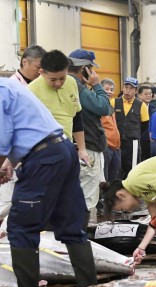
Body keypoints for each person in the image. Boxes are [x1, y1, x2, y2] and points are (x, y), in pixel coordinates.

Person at [0, 78, 97, 287]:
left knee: (22, 225)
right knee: (71, 224)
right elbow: (24, 130)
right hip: (61, 149)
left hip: (43, 159)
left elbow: (2, 141)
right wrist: (9, 164)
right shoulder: (10, 86)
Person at [67, 49, 110, 226]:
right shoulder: (77, 87)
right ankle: (81, 236)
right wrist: (97, 85)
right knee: (87, 195)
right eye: (91, 68)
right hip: (88, 148)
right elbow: (103, 107)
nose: (93, 72)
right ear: (84, 68)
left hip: (76, 147)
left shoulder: (69, 85)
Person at [28, 50, 88, 165]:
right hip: (44, 155)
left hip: (68, 150)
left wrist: (82, 149)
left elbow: (77, 117)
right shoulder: (31, 91)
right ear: (42, 72)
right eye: (53, 79)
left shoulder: (71, 83)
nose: (58, 83)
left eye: (62, 78)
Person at [111, 77, 149, 178]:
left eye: (131, 88)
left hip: (132, 143)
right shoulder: (114, 102)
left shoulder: (141, 105)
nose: (128, 90)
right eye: (126, 87)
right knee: (116, 170)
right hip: (116, 142)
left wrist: (133, 134)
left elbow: (145, 125)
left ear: (135, 90)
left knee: (132, 170)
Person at [100, 78, 121, 182]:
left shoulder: (110, 106)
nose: (109, 92)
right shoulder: (98, 105)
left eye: (111, 90)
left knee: (114, 178)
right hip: (106, 147)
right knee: (104, 178)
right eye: (106, 89)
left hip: (116, 147)